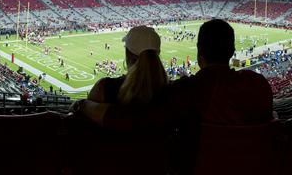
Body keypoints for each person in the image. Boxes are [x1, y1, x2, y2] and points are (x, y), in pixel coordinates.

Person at [75, 19, 273, 128]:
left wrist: (83, 105)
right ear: (231, 51)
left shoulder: (188, 92)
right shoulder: (259, 86)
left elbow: (135, 121)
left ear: (199, 53)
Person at [87, 25, 167, 105]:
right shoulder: (172, 89)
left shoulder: (104, 87)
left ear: (128, 54)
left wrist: (81, 104)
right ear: (158, 54)